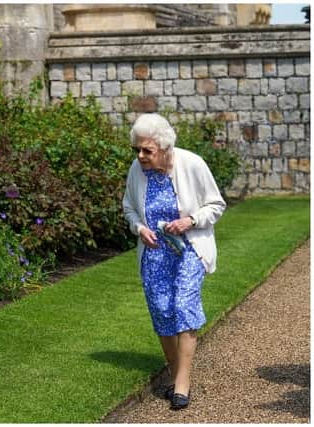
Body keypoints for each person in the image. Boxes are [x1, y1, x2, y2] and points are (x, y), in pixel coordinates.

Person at [122, 113, 226, 410]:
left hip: (190, 248)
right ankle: (174, 371)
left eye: (147, 151)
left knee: (183, 304)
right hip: (155, 252)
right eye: (137, 150)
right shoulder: (137, 170)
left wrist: (190, 220)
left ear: (164, 149)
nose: (140, 156)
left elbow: (216, 204)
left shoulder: (191, 164)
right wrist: (139, 228)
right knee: (162, 310)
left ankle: (182, 383)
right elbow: (129, 207)